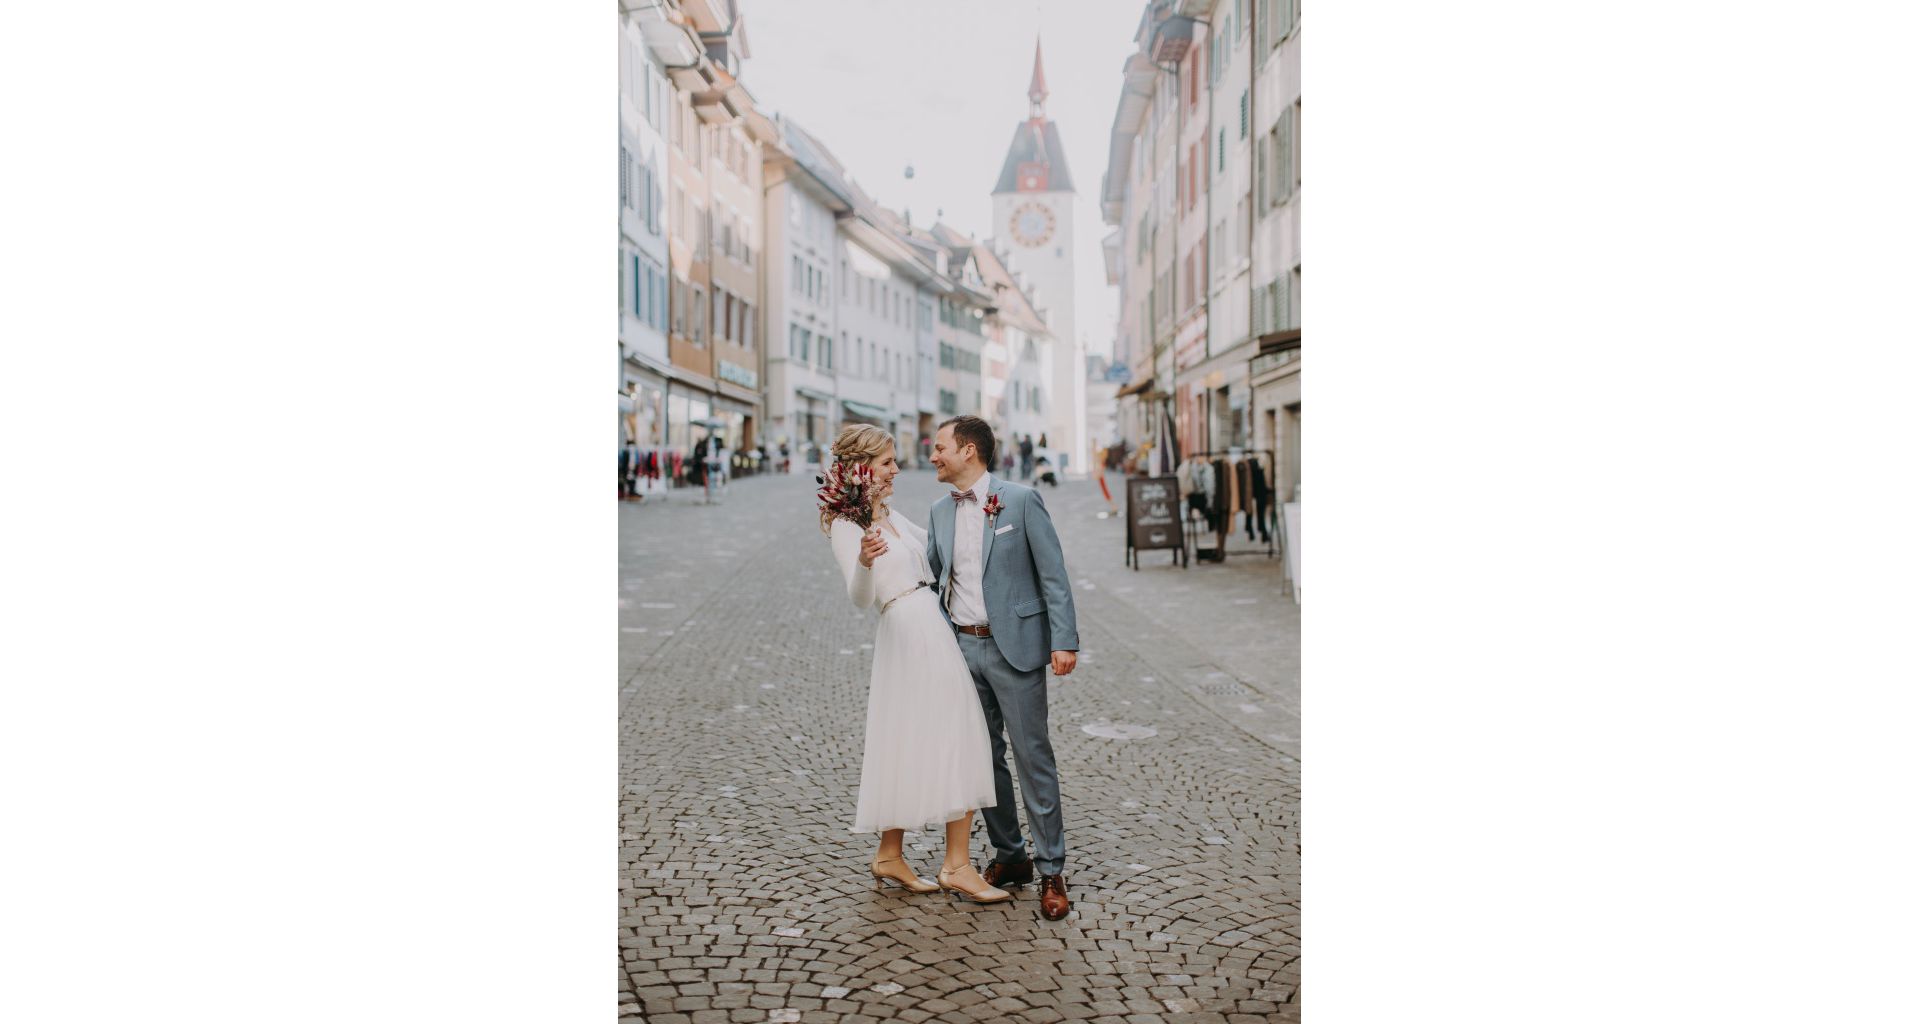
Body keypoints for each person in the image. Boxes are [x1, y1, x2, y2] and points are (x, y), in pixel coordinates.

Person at [823, 424, 1012, 905]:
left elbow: (940, 551)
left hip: (930, 623)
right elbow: (859, 598)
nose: (896, 470)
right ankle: (957, 865)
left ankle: (890, 855)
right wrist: (864, 562)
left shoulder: (889, 515)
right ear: (862, 468)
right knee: (958, 734)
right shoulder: (847, 526)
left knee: (911, 738)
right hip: (908, 630)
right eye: (887, 462)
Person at [926, 415, 1079, 921]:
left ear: (968, 450)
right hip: (962, 649)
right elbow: (931, 576)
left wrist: (1064, 639)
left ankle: (1051, 868)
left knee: (1032, 756)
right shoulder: (938, 511)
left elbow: (1053, 574)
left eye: (940, 447)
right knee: (982, 759)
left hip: (1016, 647)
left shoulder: (1021, 500)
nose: (933, 456)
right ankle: (1011, 855)